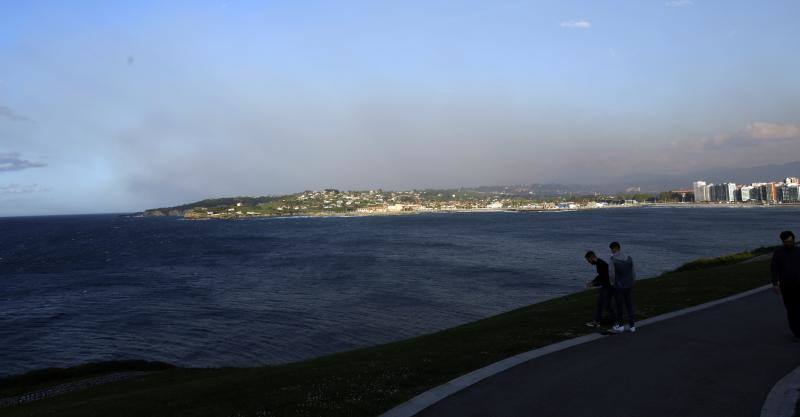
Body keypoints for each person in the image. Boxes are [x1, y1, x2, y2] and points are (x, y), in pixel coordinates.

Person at [771, 230, 800, 339]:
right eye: (786, 242)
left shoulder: (799, 251)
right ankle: (796, 333)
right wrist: (775, 284)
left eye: (790, 241)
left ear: (794, 239)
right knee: (791, 310)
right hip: (786, 286)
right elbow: (774, 269)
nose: (789, 243)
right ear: (782, 241)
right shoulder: (778, 253)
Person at [608, 241, 636, 333]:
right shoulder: (629, 258)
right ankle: (632, 326)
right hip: (629, 284)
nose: (611, 251)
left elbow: (611, 274)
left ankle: (620, 326)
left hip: (619, 286)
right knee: (629, 305)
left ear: (614, 248)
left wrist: (612, 283)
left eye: (611, 249)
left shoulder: (613, 259)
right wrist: (632, 281)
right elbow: (633, 272)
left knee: (619, 306)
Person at [584, 251, 617, 328]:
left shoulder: (601, 264)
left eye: (588, 260)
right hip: (607, 286)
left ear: (591, 257)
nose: (589, 262)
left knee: (604, 304)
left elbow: (604, 277)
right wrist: (593, 282)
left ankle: (599, 321)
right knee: (603, 304)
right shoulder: (600, 263)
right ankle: (614, 320)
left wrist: (593, 284)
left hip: (608, 286)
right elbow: (601, 275)